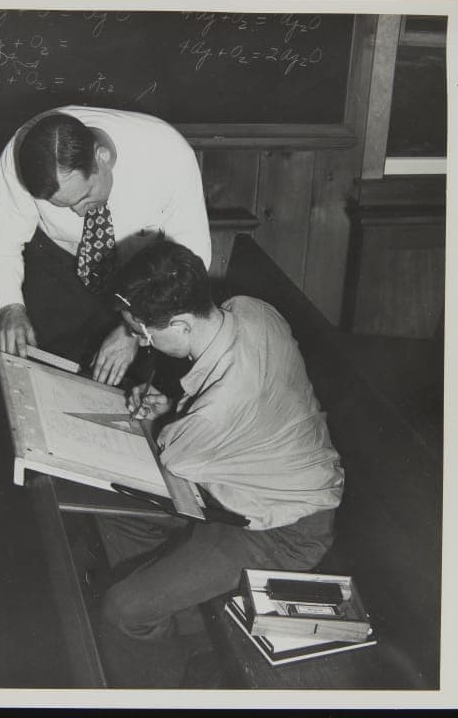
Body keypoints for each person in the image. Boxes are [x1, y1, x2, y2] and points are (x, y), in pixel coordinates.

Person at [95, 241, 345, 688]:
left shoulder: (219, 408)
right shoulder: (250, 310)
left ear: (180, 325)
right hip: (256, 484)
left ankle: (158, 688)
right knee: (119, 517)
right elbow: (233, 414)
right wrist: (172, 409)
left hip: (281, 532)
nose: (142, 344)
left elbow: (175, 454)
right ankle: (186, 632)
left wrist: (160, 422)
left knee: (123, 610)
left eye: (144, 335)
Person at [0, 106, 211, 383]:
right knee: (35, 375)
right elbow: (0, 239)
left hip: (142, 279)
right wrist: (10, 306)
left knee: (125, 383)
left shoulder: (167, 154)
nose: (78, 212)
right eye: (61, 205)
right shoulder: (22, 154)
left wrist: (134, 330)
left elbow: (189, 260)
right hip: (57, 262)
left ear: (103, 156)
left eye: (84, 196)